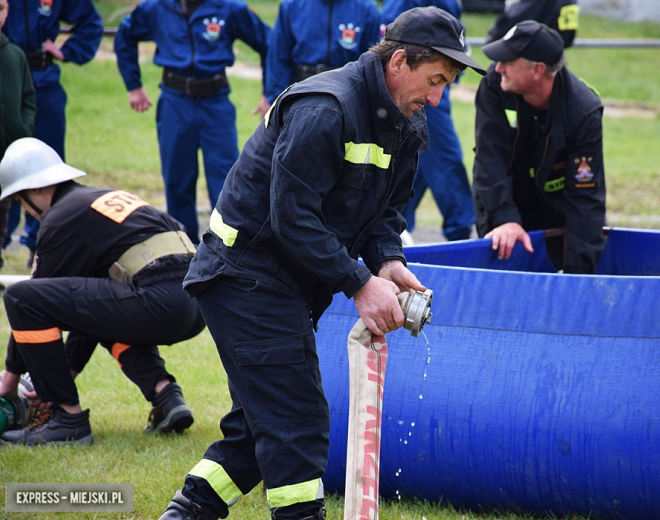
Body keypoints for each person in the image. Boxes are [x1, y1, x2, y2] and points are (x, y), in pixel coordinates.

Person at [157, 7, 485, 520]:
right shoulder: (326, 107)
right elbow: (292, 217)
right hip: (244, 274)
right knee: (297, 420)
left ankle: (185, 513)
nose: (437, 98)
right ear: (399, 60)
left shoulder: (406, 123)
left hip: (286, 281)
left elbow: (385, 213)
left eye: (446, 84)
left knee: (258, 425)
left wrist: (388, 261)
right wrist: (359, 283)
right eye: (435, 80)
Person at [0, 137, 207, 446]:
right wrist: (63, 375)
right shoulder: (100, 199)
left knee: (20, 296)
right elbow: (87, 314)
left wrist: (10, 381)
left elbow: (30, 304)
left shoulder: (60, 219)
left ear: (37, 189)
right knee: (106, 302)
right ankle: (166, 396)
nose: (25, 211)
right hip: (196, 305)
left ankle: (67, 419)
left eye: (20, 201)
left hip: (160, 301)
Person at [114, 0, 271, 244]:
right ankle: (184, 249)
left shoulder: (230, 8)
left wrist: (268, 93)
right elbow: (124, 36)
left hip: (216, 102)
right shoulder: (155, 7)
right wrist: (133, 85)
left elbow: (269, 43)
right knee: (177, 179)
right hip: (175, 102)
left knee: (226, 179)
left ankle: (223, 249)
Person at [474, 21, 605, 274]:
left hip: (555, 210)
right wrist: (505, 219)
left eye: (508, 61)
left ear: (538, 70)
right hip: (502, 198)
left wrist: (578, 277)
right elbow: (490, 158)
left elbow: (585, 198)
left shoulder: (583, 111)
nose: (498, 67)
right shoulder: (494, 84)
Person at [2, 0, 103, 268]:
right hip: (6, 79)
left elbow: (91, 23)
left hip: (44, 82)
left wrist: (67, 51)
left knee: (48, 172)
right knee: (5, 164)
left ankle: (44, 244)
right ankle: (0, 243)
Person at [381, 0, 476, 243]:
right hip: (416, 77)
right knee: (444, 157)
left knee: (417, 154)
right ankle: (459, 236)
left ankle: (399, 226)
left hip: (431, 73)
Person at [264, 0, 381, 104]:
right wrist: (277, 101)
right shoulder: (291, 5)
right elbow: (278, 59)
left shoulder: (367, 9)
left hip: (347, 97)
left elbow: (371, 64)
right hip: (299, 93)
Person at [0, 0, 36, 292]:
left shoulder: (14, 55)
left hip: (6, 154)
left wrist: (23, 129)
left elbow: (28, 100)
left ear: (7, 11)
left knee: (1, 213)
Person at [485, 0, 579, 48]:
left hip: (529, 58)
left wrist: (495, 34)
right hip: (556, 58)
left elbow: (510, 24)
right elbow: (568, 36)